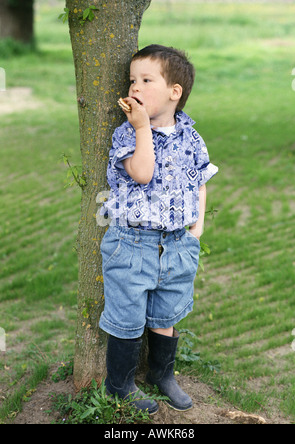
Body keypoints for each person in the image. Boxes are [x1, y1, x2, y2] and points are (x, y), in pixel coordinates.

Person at [98, 44, 218, 414]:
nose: (134, 87)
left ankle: (162, 374)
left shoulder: (192, 138)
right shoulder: (127, 135)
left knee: (167, 313)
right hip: (132, 242)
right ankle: (119, 383)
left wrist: (196, 225)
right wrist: (140, 127)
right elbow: (143, 172)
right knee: (129, 315)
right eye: (132, 80)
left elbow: (201, 179)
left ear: (174, 92)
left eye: (146, 80)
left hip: (177, 243)